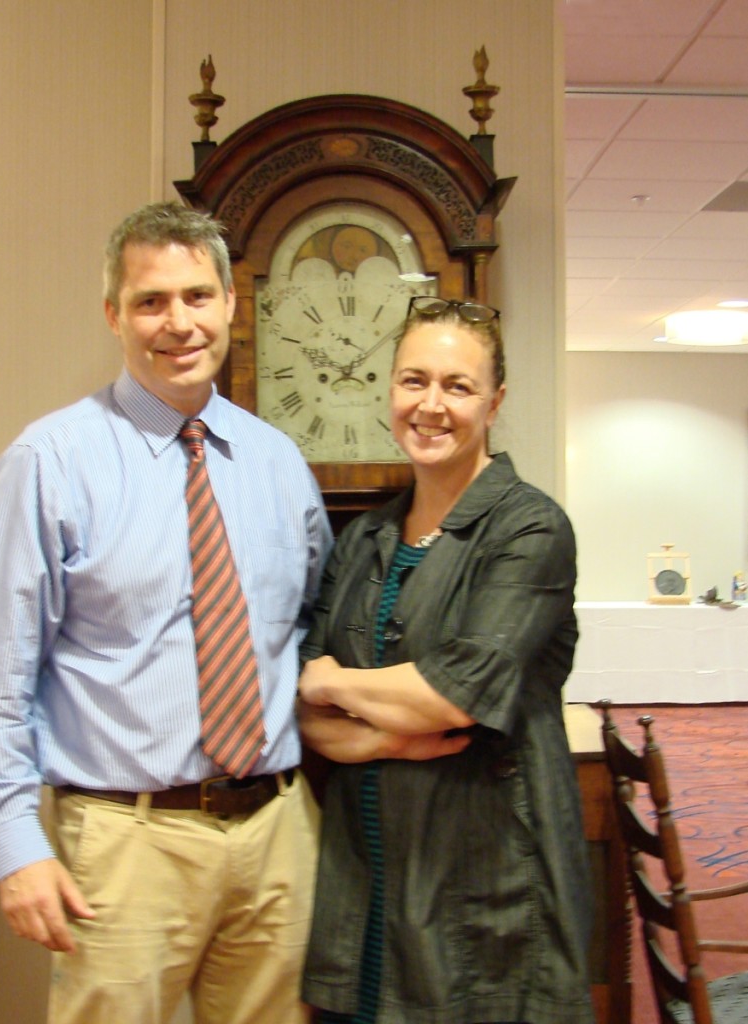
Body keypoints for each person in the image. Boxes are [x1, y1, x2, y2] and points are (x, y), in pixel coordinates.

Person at [0, 200, 333, 1024]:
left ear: (230, 305)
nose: (177, 322)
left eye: (196, 296)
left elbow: (306, 632)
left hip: (278, 835)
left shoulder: (278, 463)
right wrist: (15, 846)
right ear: (113, 315)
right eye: (151, 301)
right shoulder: (50, 462)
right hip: (126, 842)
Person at [297, 296, 594, 1024]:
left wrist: (335, 679)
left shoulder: (530, 528)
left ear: (494, 401)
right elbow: (304, 713)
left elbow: (455, 693)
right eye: (412, 380)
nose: (430, 405)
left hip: (486, 889)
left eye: (457, 387)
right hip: (362, 883)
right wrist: (388, 733)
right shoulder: (365, 538)